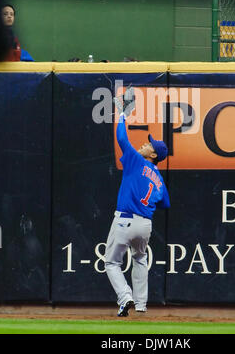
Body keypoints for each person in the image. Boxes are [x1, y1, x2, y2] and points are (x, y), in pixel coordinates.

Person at [105, 88, 170, 317]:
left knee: (111, 263)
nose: (145, 143)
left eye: (149, 145)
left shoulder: (135, 161)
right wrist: (147, 203)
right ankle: (141, 305)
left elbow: (122, 138)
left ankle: (125, 297)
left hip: (125, 219)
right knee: (140, 259)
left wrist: (122, 114)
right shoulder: (159, 178)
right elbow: (165, 203)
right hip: (145, 225)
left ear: (153, 155)